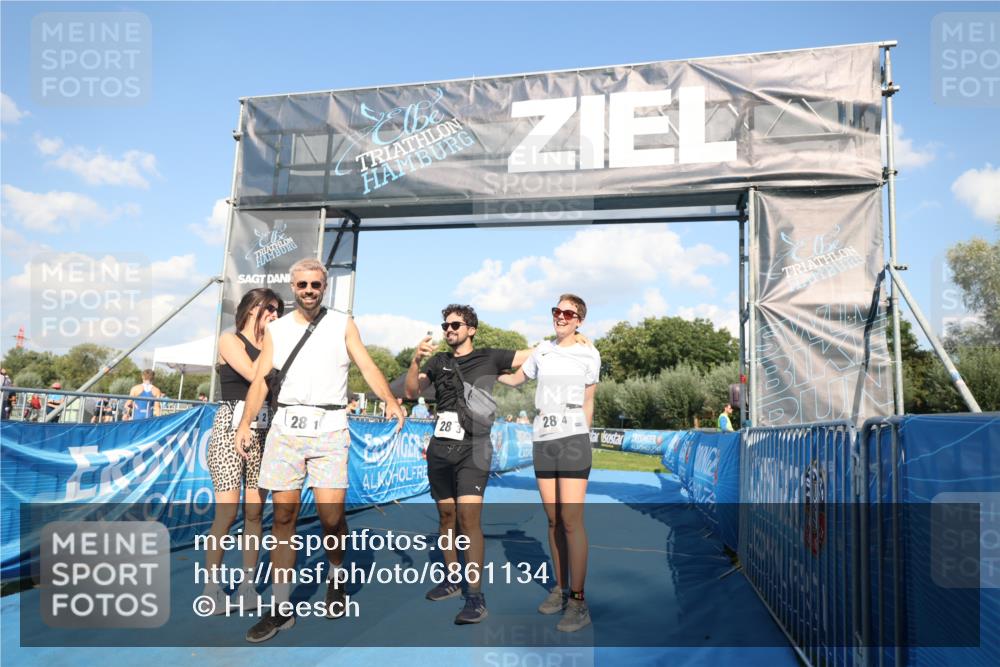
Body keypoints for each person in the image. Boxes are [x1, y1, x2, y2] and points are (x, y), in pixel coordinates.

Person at [235, 258, 404, 643]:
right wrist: (245, 423)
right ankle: (280, 608)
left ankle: (336, 573)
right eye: (302, 285)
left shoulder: (342, 323)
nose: (309, 291)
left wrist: (389, 400)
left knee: (331, 518)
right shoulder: (276, 329)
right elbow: (261, 380)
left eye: (315, 285)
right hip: (286, 429)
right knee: (283, 517)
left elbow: (367, 364)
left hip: (329, 429)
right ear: (292, 288)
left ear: (323, 287)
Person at [405, 304, 532, 625]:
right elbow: (410, 391)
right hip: (440, 447)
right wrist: (416, 360)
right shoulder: (437, 361)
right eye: (445, 325)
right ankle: (451, 579)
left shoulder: (490, 356)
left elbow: (533, 354)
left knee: (468, 518)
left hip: (474, 448)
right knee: (446, 517)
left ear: (471, 329)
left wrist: (568, 339)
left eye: (455, 325)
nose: (449, 330)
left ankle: (474, 595)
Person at [498, 294, 600, 632]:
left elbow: (589, 402)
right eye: (557, 311)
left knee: (571, 520)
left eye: (568, 313)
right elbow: (515, 379)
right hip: (543, 438)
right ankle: (559, 588)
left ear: (579, 320)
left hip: (573, 440)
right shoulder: (541, 350)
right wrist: (482, 367)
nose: (561, 316)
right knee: (554, 520)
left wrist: (583, 438)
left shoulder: (589, 353)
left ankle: (579, 601)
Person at [201, 288, 284, 615]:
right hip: (230, 427)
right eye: (271, 309)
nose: (276, 316)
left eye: (278, 311)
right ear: (253, 309)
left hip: (264, 431)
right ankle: (212, 587)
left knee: (254, 513)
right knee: (227, 513)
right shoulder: (229, 340)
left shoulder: (274, 345)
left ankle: (248, 585)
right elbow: (255, 376)